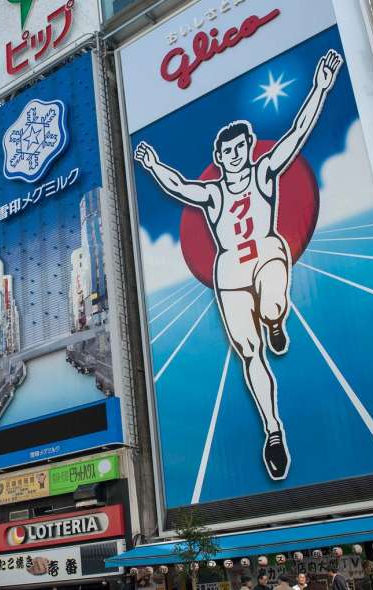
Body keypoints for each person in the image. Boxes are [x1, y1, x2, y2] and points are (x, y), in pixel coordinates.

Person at [133, 49, 344, 480]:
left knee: (269, 300)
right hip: (229, 272)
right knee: (249, 352)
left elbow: (298, 132)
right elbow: (180, 186)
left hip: (266, 253)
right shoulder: (213, 194)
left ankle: (276, 318)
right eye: (226, 151)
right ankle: (272, 430)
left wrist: (320, 87)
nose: (233, 155)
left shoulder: (265, 172)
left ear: (247, 149)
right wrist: (154, 167)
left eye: (239, 148)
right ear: (220, 155)